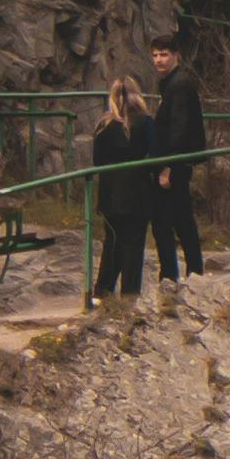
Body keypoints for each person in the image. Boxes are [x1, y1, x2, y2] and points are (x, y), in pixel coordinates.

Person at [135, 35, 210, 300]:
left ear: (176, 55)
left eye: (164, 55)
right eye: (155, 55)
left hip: (173, 161)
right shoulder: (173, 83)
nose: (158, 60)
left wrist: (167, 165)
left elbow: (179, 127)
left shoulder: (179, 84)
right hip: (176, 159)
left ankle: (171, 275)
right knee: (180, 217)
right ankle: (193, 272)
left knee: (165, 220)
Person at [86, 79, 149, 304]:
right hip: (138, 194)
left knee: (112, 243)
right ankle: (130, 295)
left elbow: (97, 160)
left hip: (110, 196)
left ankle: (102, 291)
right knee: (133, 246)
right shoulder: (145, 124)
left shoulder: (104, 127)